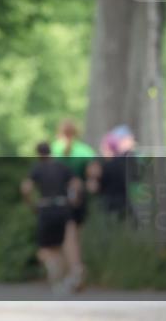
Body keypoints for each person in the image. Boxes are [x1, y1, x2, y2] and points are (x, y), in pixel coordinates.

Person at [21, 142, 81, 296]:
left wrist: (31, 204)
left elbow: (26, 188)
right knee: (61, 244)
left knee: (46, 247)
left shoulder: (37, 168)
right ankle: (70, 274)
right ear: (51, 152)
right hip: (62, 207)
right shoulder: (61, 167)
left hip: (45, 208)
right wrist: (73, 200)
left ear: (38, 153)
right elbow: (76, 184)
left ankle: (54, 272)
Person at [50, 119, 94, 290]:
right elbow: (93, 173)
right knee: (75, 236)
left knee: (65, 238)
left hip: (59, 200)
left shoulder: (54, 149)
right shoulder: (85, 150)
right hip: (80, 199)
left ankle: (74, 270)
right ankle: (73, 271)